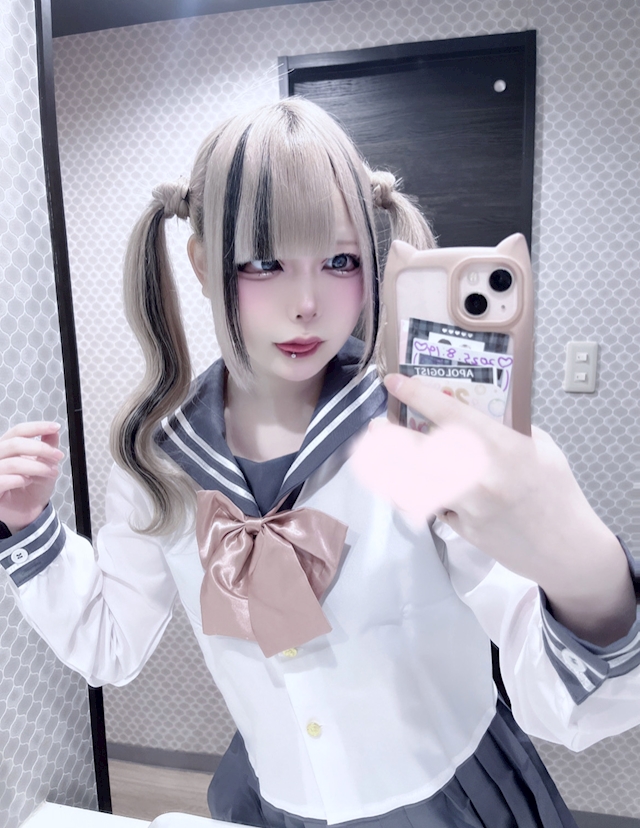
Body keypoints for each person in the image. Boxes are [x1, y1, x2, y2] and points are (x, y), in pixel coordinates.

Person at [1, 97, 640, 828]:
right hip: (280, 801)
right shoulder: (160, 457)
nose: (307, 304)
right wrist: (29, 530)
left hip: (454, 800)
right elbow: (110, 646)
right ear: (202, 264)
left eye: (339, 261)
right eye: (265, 261)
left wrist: (584, 568)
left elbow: (557, 694)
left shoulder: (416, 432)